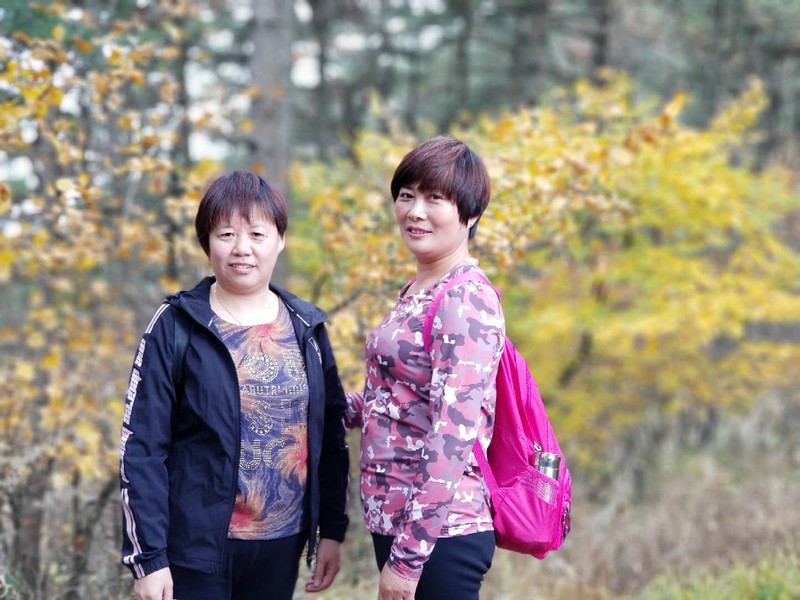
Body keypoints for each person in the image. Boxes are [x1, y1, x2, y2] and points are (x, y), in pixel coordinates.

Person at [119, 171, 350, 600]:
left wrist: (331, 529)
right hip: (195, 549)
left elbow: (330, 436)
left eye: (257, 234)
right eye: (226, 234)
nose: (242, 248)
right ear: (207, 242)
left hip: (282, 544)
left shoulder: (307, 328)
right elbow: (142, 447)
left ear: (280, 240)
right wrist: (148, 557)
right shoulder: (176, 325)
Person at [345, 136, 506, 600]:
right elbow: (398, 403)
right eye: (406, 195)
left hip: (440, 534)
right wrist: (327, 402)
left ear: (470, 214)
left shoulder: (465, 298)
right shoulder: (419, 290)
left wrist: (408, 559)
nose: (415, 212)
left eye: (435, 198)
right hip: (398, 521)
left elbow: (453, 435)